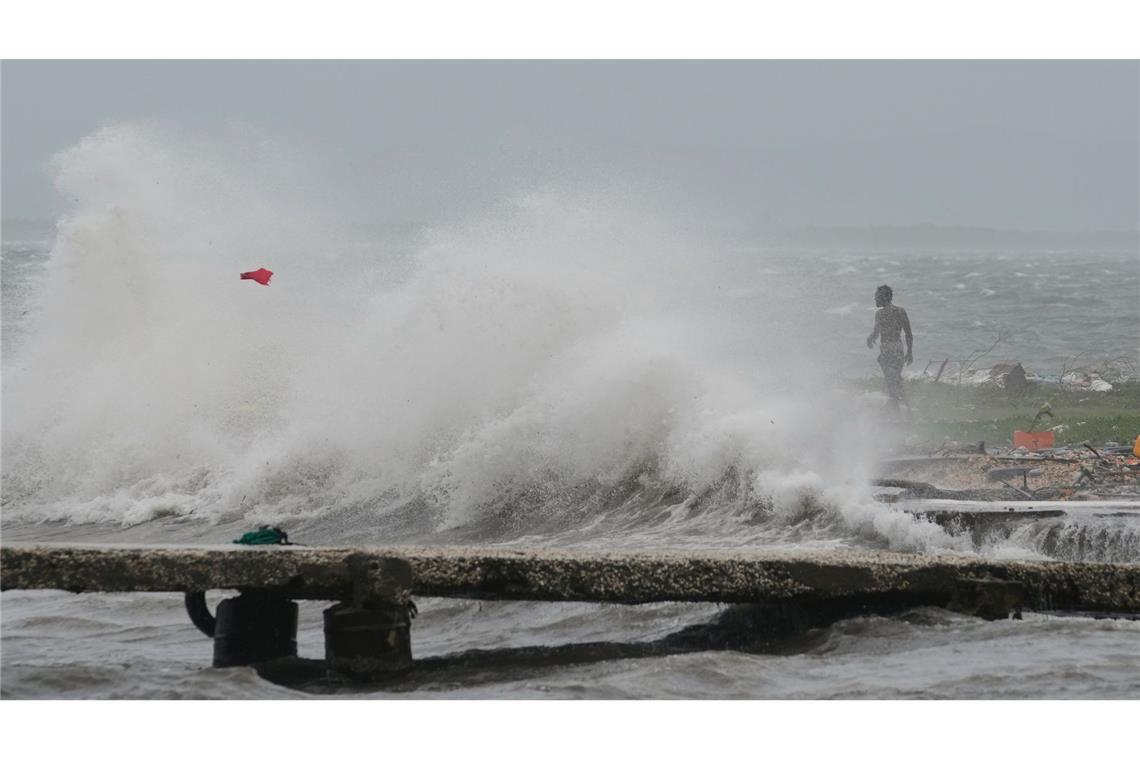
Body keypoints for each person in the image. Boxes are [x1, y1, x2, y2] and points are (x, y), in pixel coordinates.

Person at [866, 285, 913, 410]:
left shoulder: (880, 314)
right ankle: (906, 408)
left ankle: (895, 406)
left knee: (891, 380)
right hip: (898, 348)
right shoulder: (901, 311)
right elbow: (908, 334)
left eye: (876, 297)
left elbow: (876, 332)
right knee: (896, 379)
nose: (875, 299)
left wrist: (869, 339)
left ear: (884, 297)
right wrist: (910, 352)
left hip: (887, 348)